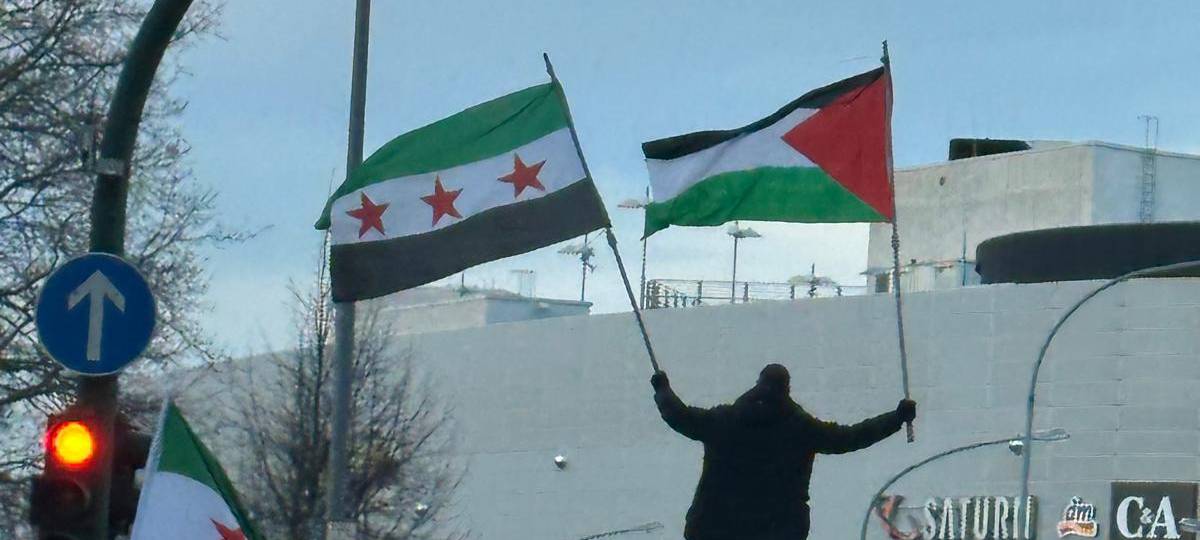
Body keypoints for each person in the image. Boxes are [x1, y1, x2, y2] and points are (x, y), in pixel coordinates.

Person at [651, 363, 917, 540]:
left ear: (757, 384)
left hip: (713, 529)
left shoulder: (723, 421)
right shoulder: (801, 429)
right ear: (786, 390)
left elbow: (679, 416)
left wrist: (662, 389)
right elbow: (851, 437)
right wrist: (896, 418)